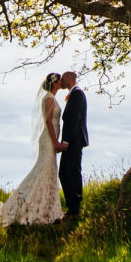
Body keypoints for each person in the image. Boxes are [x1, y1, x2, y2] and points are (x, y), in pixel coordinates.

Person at [0, 72, 69, 226]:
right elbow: (48, 122)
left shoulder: (53, 98)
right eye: (60, 80)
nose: (62, 82)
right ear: (55, 83)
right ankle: (26, 207)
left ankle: (46, 208)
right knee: (42, 170)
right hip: (48, 139)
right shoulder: (48, 99)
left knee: (48, 171)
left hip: (51, 139)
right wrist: (55, 142)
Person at [58, 70, 88, 220]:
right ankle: (71, 205)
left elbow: (74, 119)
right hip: (71, 141)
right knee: (64, 172)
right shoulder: (73, 93)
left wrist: (66, 142)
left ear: (69, 78)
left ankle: (75, 208)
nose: (61, 81)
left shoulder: (77, 93)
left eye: (63, 78)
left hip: (74, 141)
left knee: (73, 171)